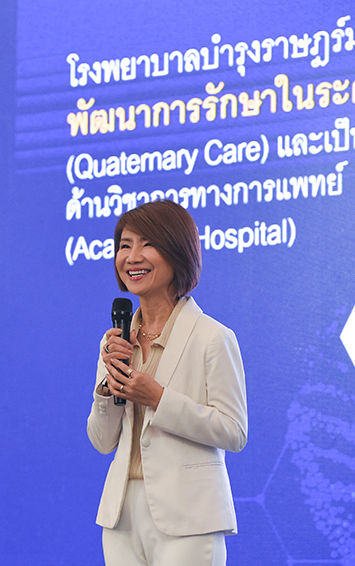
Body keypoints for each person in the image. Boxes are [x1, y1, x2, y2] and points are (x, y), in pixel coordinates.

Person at [87, 200, 247, 566]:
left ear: (177, 252)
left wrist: (159, 398)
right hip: (121, 517)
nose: (132, 257)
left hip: (189, 515)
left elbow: (234, 431)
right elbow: (101, 440)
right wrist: (107, 390)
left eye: (147, 244)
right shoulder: (116, 342)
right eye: (125, 245)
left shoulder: (212, 337)